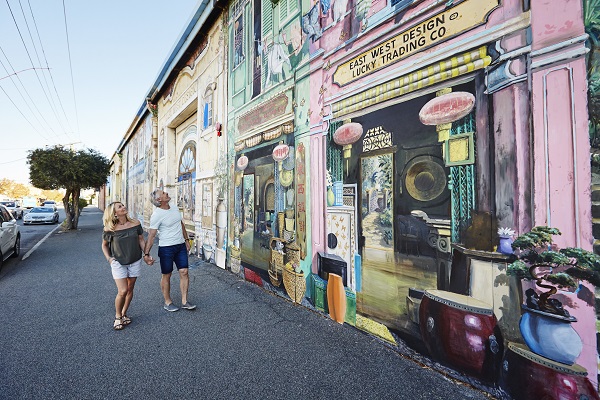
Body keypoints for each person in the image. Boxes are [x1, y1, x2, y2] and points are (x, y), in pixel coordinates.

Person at [144, 189, 196, 312]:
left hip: (180, 246)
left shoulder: (173, 207)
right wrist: (146, 254)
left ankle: (184, 301)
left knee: (184, 271)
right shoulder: (156, 215)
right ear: (159, 200)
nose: (166, 193)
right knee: (167, 274)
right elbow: (151, 235)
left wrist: (186, 239)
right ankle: (168, 302)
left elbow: (181, 223)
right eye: (163, 193)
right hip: (166, 248)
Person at [101, 202, 148, 330]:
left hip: (135, 260)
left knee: (130, 288)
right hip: (118, 263)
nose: (123, 207)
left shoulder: (135, 223)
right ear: (114, 213)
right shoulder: (109, 228)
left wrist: (147, 254)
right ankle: (117, 316)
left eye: (123, 205)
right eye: (120, 207)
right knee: (122, 291)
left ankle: (124, 314)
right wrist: (109, 259)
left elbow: (140, 240)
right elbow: (104, 245)